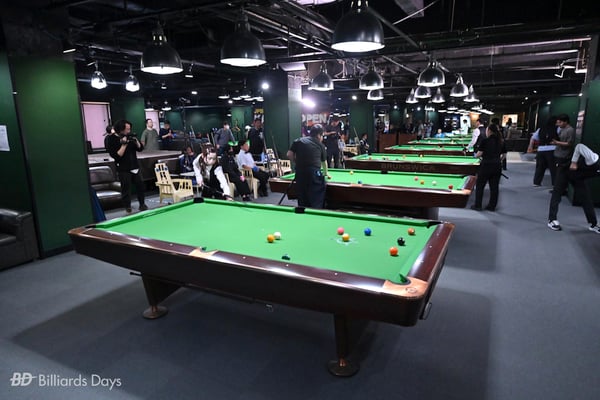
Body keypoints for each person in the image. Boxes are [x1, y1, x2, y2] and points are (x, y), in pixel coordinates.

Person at [104, 119, 148, 213]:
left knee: (140, 186)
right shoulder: (111, 139)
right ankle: (128, 207)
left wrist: (136, 141)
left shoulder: (129, 137)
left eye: (129, 129)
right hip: (123, 168)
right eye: (127, 129)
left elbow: (140, 149)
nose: (129, 131)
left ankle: (142, 204)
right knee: (126, 188)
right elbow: (116, 156)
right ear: (120, 129)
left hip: (135, 166)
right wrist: (124, 145)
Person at [287, 124, 329, 208]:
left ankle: (303, 211)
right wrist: (326, 173)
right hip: (313, 173)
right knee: (317, 197)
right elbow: (324, 162)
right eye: (322, 136)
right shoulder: (321, 145)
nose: (322, 138)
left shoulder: (298, 140)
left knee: (302, 197)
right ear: (318, 135)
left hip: (300, 172)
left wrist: (297, 162)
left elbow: (289, 155)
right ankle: (315, 212)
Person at [547, 114, 577, 231]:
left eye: (559, 122)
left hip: (565, 161)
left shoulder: (570, 130)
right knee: (557, 188)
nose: (557, 124)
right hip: (559, 158)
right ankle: (552, 218)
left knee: (559, 189)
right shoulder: (562, 130)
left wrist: (557, 143)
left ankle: (593, 223)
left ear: (565, 122)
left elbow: (569, 144)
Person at [471, 123, 507, 211]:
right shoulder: (501, 141)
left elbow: (479, 154)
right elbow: (504, 155)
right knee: (494, 187)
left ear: (489, 131)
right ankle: (492, 207)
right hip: (497, 166)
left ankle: (478, 205)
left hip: (485, 165)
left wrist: (475, 156)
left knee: (480, 186)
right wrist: (498, 160)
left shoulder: (485, 141)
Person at [531, 117, 558, 187]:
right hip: (552, 149)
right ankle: (554, 184)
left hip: (541, 149)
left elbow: (534, 138)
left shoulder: (540, 129)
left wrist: (530, 147)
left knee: (540, 167)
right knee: (553, 168)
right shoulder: (557, 129)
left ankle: (536, 182)